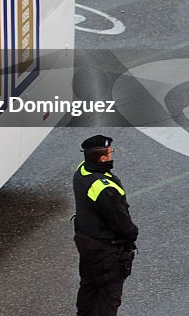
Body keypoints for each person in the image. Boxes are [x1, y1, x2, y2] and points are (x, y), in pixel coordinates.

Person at [73, 135, 138, 316]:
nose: (112, 155)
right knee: (109, 297)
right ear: (103, 158)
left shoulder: (82, 171)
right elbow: (122, 224)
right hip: (106, 251)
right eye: (110, 153)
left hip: (86, 242)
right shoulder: (105, 189)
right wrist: (132, 233)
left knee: (89, 287)